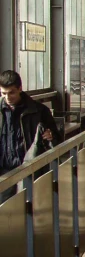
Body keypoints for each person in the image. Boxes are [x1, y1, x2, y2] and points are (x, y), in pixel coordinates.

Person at [0, 70, 61, 204]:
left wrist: (51, 136)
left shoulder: (39, 111)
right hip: (3, 170)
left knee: (27, 206)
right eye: (3, 93)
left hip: (29, 168)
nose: (7, 97)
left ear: (20, 89)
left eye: (12, 92)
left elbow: (57, 137)